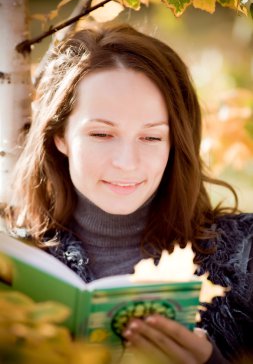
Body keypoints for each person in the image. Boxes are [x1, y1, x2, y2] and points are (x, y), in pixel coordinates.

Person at [6, 22, 253, 364]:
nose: (127, 162)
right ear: (59, 136)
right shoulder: (11, 261)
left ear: (174, 142)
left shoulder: (246, 258)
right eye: (102, 134)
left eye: (151, 137)